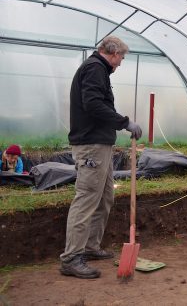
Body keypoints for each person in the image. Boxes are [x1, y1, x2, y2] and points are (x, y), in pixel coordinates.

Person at [60, 36, 143, 279]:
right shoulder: (95, 68)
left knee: (105, 196)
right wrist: (124, 122)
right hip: (91, 146)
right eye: (122, 58)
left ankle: (90, 246)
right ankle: (71, 258)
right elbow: (93, 105)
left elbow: (96, 104)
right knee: (86, 199)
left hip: (100, 144)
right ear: (113, 52)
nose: (121, 64)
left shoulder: (98, 70)